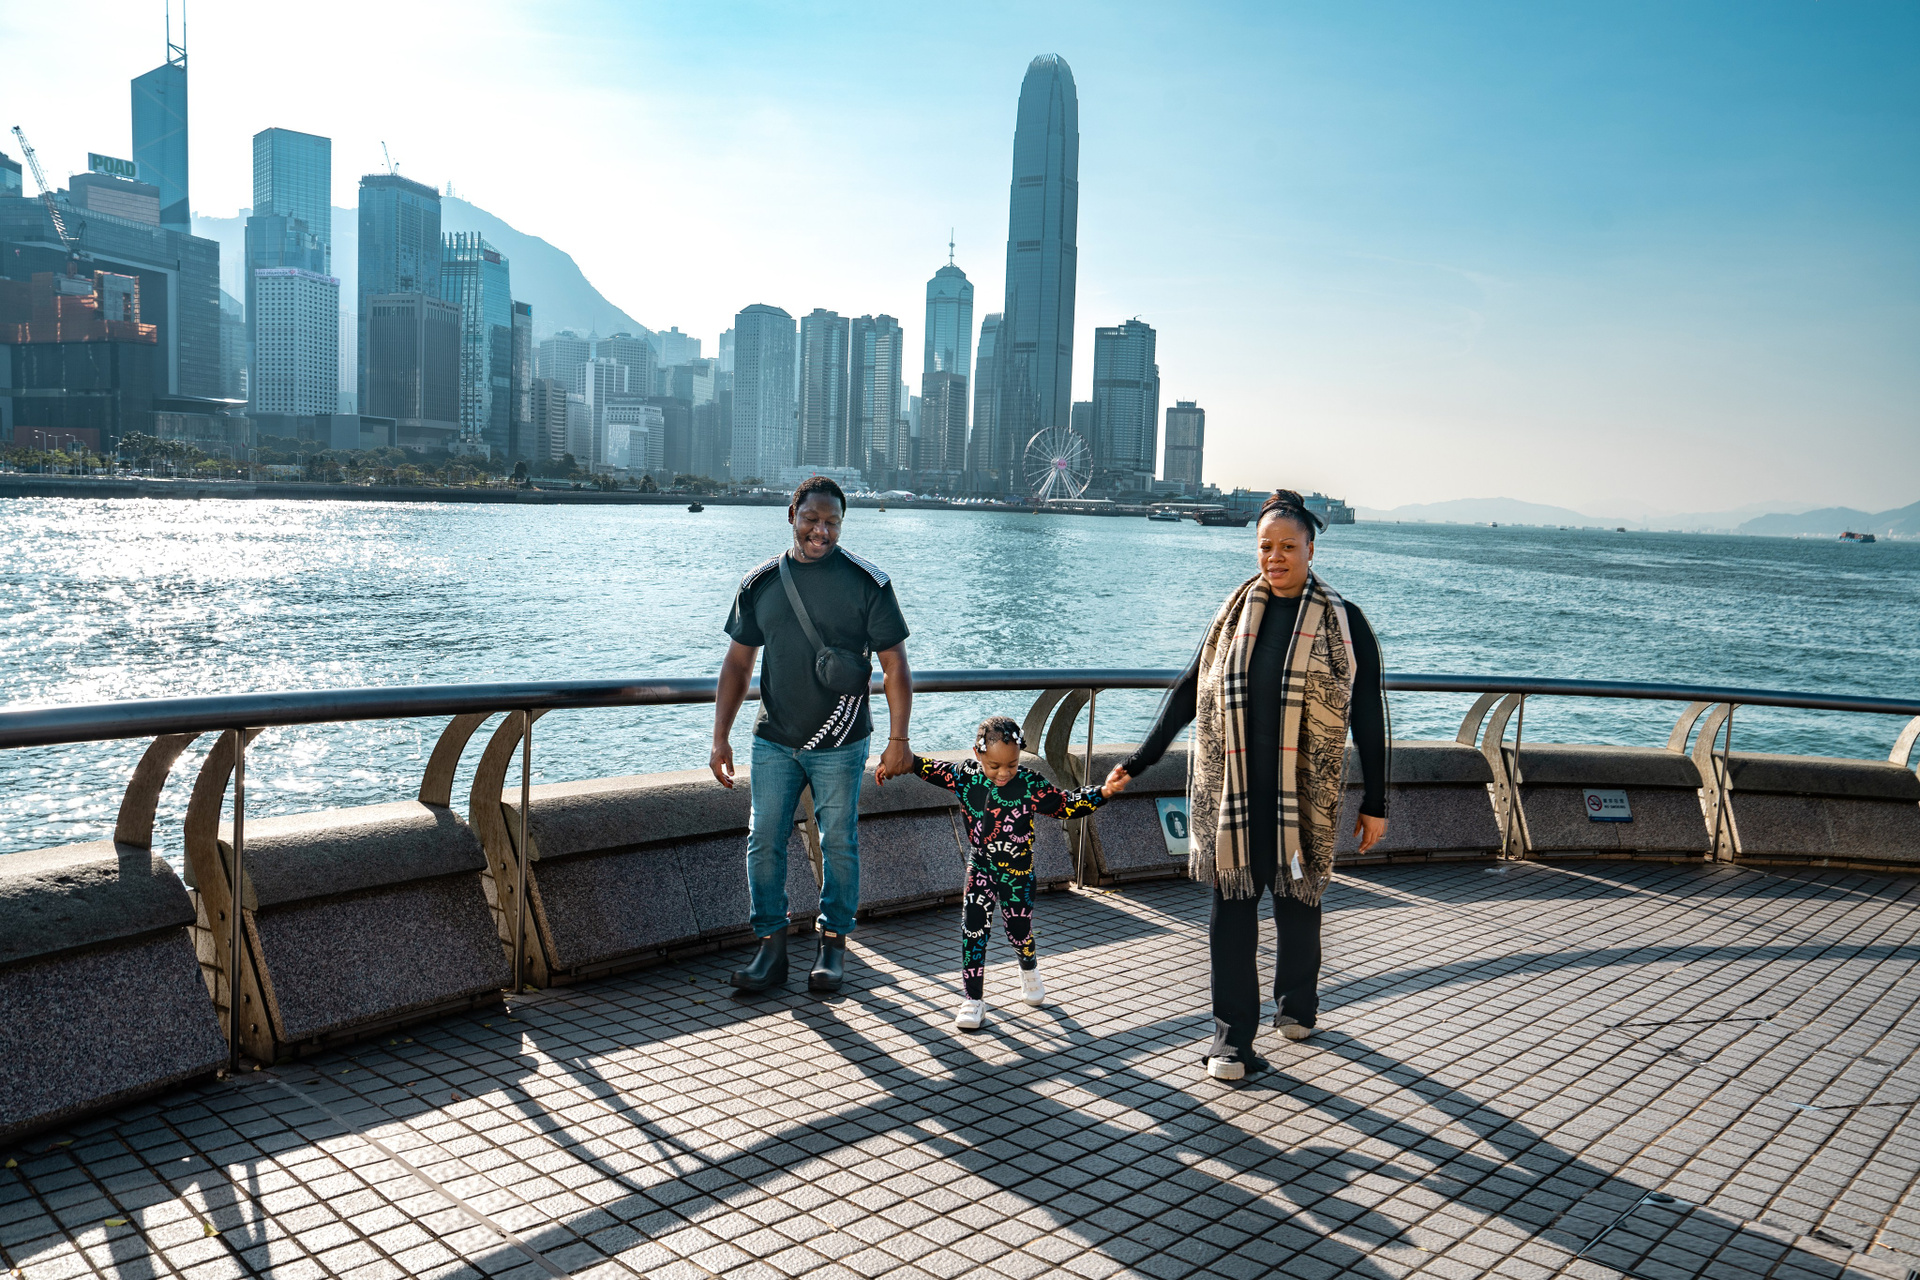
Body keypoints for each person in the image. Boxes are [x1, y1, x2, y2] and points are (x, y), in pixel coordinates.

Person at [1107, 489, 1389, 1081]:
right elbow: (1189, 689)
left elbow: (1368, 713)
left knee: (1298, 904)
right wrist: (1140, 759)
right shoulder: (1233, 617)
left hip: (1303, 796)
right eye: (1265, 546)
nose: (1275, 557)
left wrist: (1376, 801)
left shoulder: (1344, 622)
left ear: (1311, 549)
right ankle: (1232, 1041)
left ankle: (1297, 1006)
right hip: (1231, 796)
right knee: (1231, 913)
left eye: (1288, 546)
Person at [712, 476, 914, 994]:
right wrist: (720, 737)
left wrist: (898, 741)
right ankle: (770, 949)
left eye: (831, 522)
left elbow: (895, 665)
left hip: (842, 740)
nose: (820, 531)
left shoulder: (869, 582)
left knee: (839, 841)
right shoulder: (760, 583)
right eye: (811, 519)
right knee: (763, 840)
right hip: (773, 739)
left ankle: (833, 945)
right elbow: (737, 665)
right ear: (791, 516)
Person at [909, 716, 1120, 1030]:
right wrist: (898, 760)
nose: (1004, 773)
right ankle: (973, 1000)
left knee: (1019, 931)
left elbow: (1066, 804)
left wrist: (1103, 792)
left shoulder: (1029, 783)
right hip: (981, 867)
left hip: (1018, 873)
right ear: (977, 754)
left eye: (1012, 764)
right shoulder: (965, 776)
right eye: (994, 765)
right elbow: (924, 766)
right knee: (973, 928)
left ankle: (1028, 967)